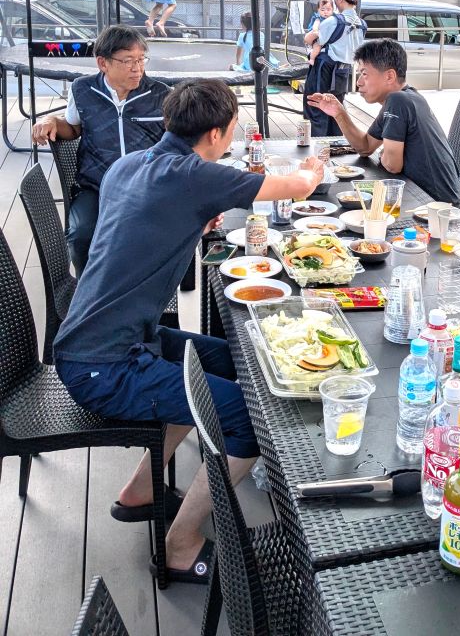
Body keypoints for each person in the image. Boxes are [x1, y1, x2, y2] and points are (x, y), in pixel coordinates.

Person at [53, 79, 324, 583]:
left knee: (225, 358)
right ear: (216, 134)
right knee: (249, 419)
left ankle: (140, 491)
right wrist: (314, 168)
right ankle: (179, 546)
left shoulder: (128, 165)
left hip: (101, 340)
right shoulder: (196, 175)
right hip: (104, 368)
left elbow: (136, 227)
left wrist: (192, 223)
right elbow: (298, 188)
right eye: (232, 128)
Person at [32, 24, 169, 276]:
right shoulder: (83, 90)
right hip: (96, 185)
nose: (137, 68)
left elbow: (178, 139)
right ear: (103, 63)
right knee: (81, 234)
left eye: (141, 59)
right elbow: (73, 128)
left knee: (162, 233)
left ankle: (147, 288)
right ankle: (91, 289)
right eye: (128, 60)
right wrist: (52, 121)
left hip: (147, 186)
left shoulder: (161, 94)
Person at [308, 36, 460, 205]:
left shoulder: (399, 101)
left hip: (437, 207)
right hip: (421, 196)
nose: (358, 82)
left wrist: (387, 156)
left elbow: (392, 165)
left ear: (389, 76)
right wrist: (339, 113)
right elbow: (365, 147)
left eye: (364, 74)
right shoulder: (402, 99)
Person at [303, 0, 366, 137]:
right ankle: (336, 144)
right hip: (343, 72)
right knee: (336, 110)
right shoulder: (362, 25)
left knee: (316, 107)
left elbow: (314, 40)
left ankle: (317, 146)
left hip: (324, 69)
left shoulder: (333, 21)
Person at [303, 0, 334, 66]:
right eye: (322, 10)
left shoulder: (332, 19)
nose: (325, 12)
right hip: (317, 38)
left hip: (325, 39)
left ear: (332, 10)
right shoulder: (319, 18)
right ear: (318, 10)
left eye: (328, 9)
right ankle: (312, 59)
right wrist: (316, 31)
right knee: (317, 47)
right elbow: (315, 25)